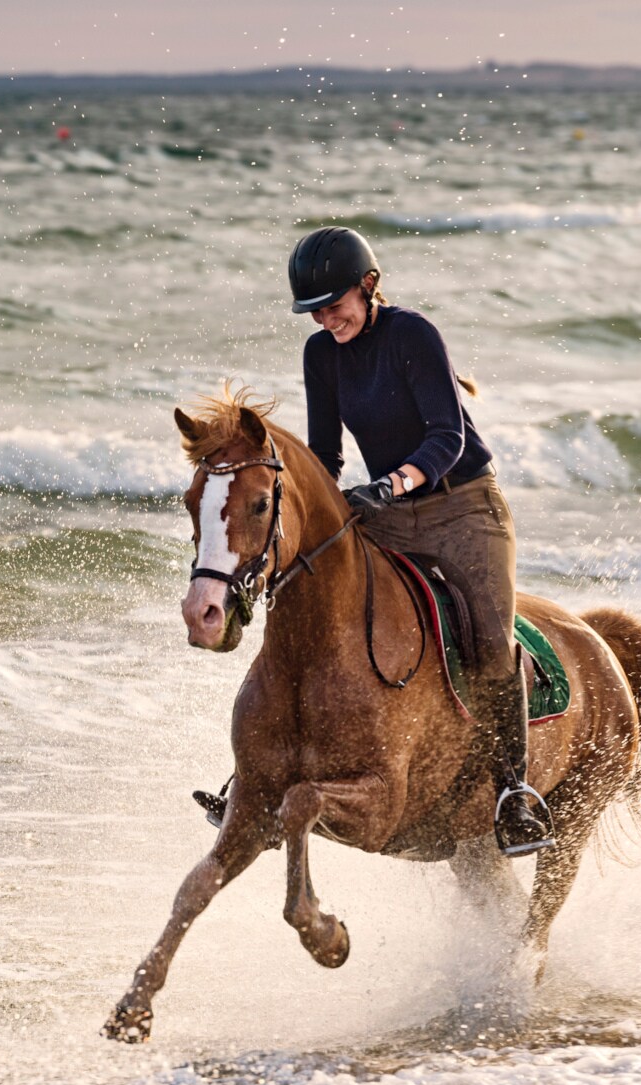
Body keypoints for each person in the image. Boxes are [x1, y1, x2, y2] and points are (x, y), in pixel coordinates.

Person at [192, 226, 554, 857]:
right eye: (315, 311)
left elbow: (450, 439)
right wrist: (311, 509)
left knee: (492, 642)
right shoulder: (321, 354)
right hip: (387, 505)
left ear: (369, 287)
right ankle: (254, 772)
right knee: (305, 592)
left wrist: (390, 485)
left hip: (464, 507)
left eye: (336, 305)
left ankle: (512, 793)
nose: (327, 319)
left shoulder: (412, 335)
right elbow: (326, 453)